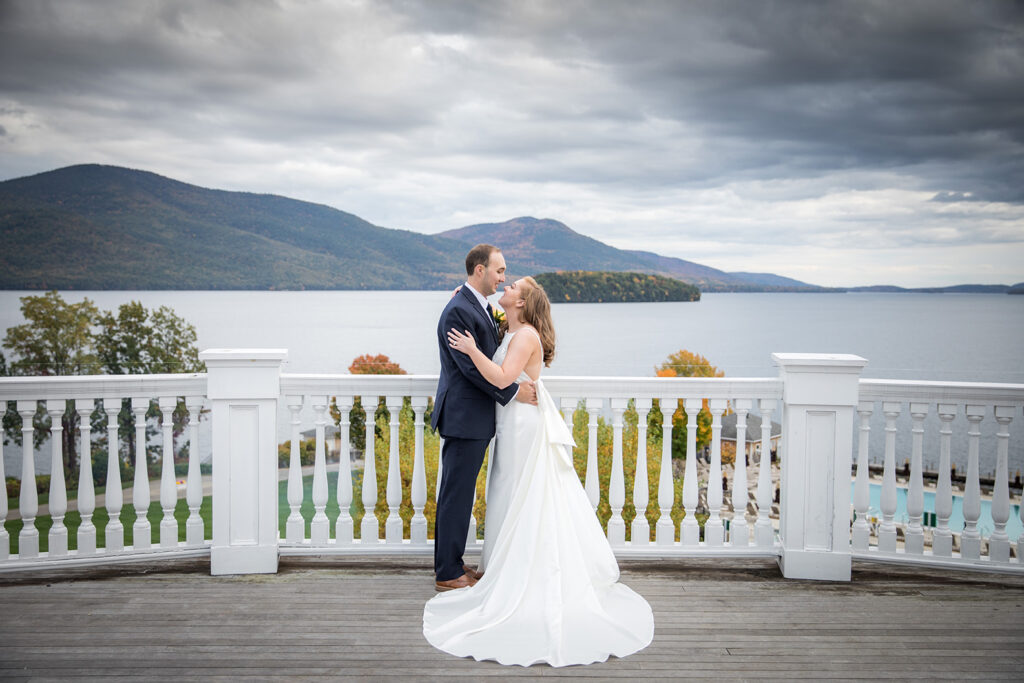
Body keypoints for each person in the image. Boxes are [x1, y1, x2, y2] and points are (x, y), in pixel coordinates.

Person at [423, 276, 654, 667]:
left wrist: (471, 349)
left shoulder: (526, 335)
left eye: (513, 287)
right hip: (510, 424)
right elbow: (484, 315)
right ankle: (502, 563)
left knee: (523, 492)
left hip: (523, 426)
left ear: (523, 302)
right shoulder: (509, 326)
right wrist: (464, 301)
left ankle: (525, 571)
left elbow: (500, 378)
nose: (506, 286)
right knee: (508, 492)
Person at [431, 244, 537, 592]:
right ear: (480, 270)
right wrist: (512, 393)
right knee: (455, 495)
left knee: (463, 495)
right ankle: (447, 572)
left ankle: (455, 560)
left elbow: (495, 348)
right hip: (463, 417)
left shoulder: (478, 305)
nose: (503, 277)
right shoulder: (459, 311)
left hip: (475, 419)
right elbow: (469, 370)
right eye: (499, 271)